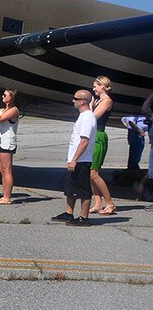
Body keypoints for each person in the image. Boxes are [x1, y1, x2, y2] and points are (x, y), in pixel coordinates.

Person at [52, 89, 97, 227]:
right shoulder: (83, 116)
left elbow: (84, 141)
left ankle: (84, 217)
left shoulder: (87, 117)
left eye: (75, 98)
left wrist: (75, 159)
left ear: (83, 101)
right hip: (76, 159)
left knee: (83, 189)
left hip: (82, 160)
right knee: (70, 187)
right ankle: (69, 213)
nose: (73, 100)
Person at [89, 76, 115, 215]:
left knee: (94, 173)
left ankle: (110, 203)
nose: (93, 89)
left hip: (99, 135)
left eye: (95, 86)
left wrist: (89, 106)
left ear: (103, 86)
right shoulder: (98, 100)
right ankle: (98, 203)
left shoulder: (107, 101)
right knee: (90, 172)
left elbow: (93, 117)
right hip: (93, 135)